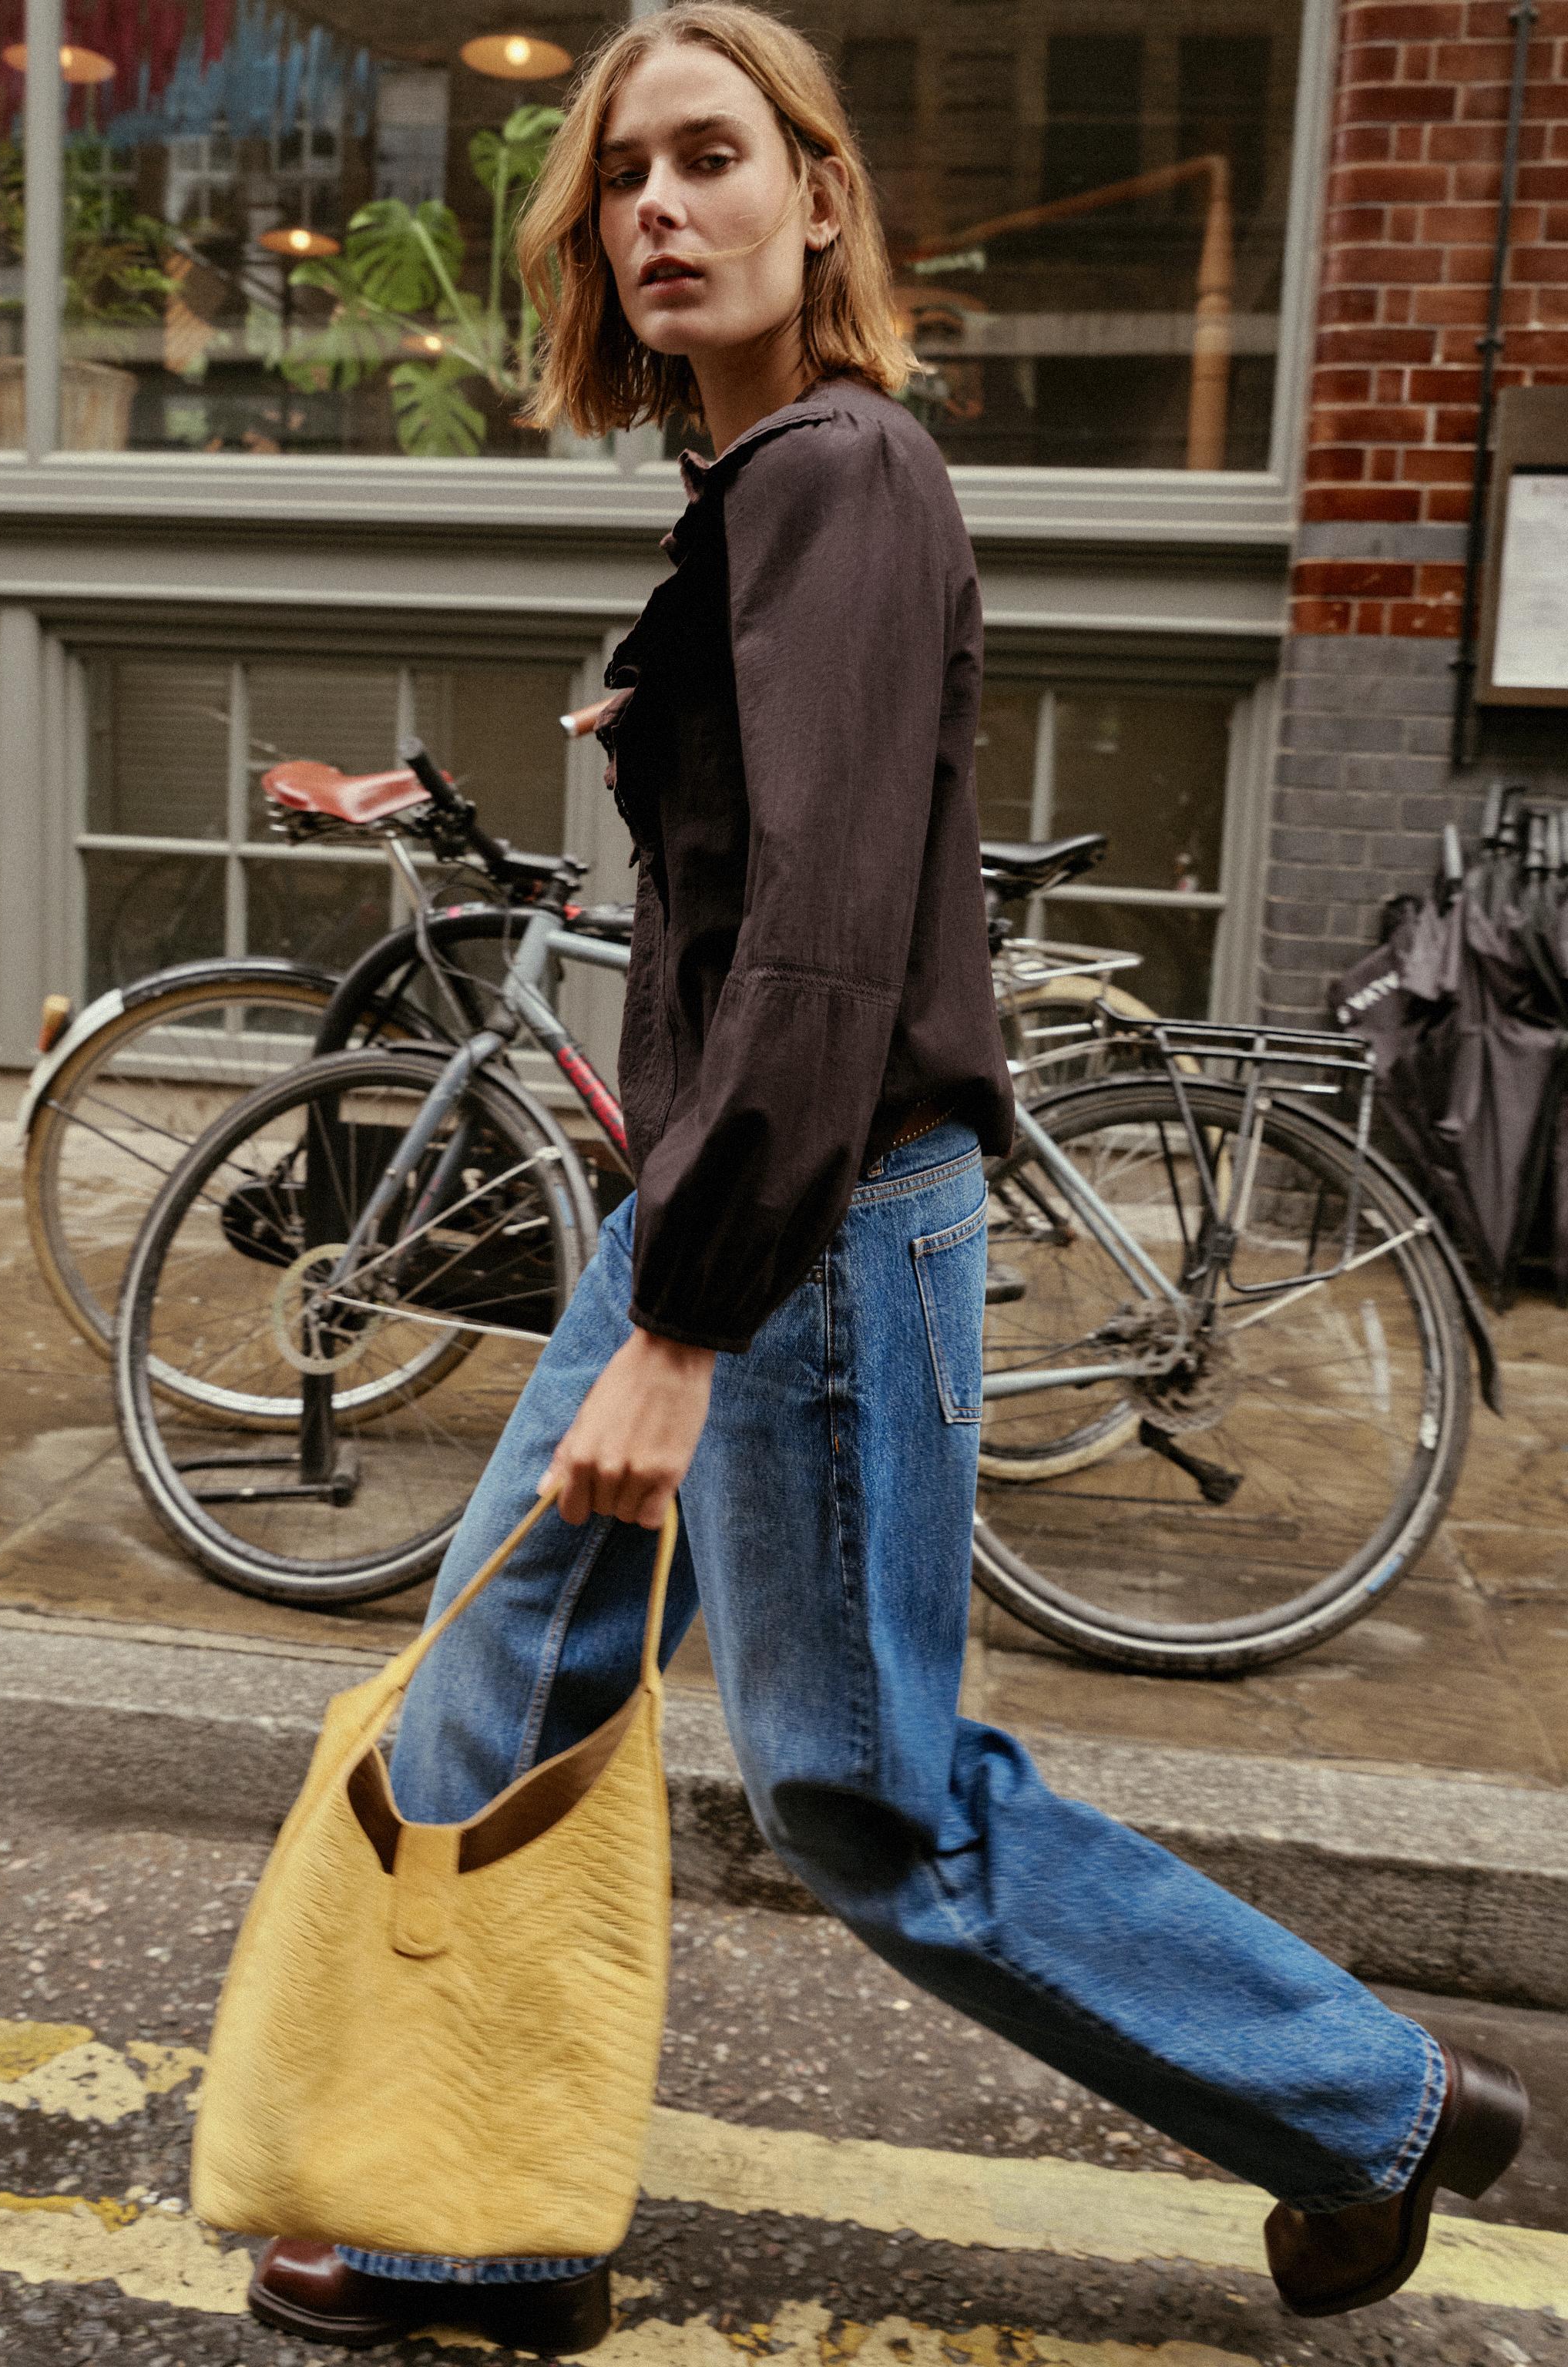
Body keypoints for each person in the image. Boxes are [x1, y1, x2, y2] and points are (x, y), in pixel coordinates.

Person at [247, 4, 1527, 2349]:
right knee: (498, 1683)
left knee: (869, 1805)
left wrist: (674, 1327)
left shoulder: (843, 472)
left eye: (711, 159)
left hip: (804, 1242)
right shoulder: (764, 493)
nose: (657, 207)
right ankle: (477, 2228)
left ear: (819, 198)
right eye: (622, 175)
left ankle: (1369, 2103)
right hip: (722, 1208)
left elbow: (833, 950)